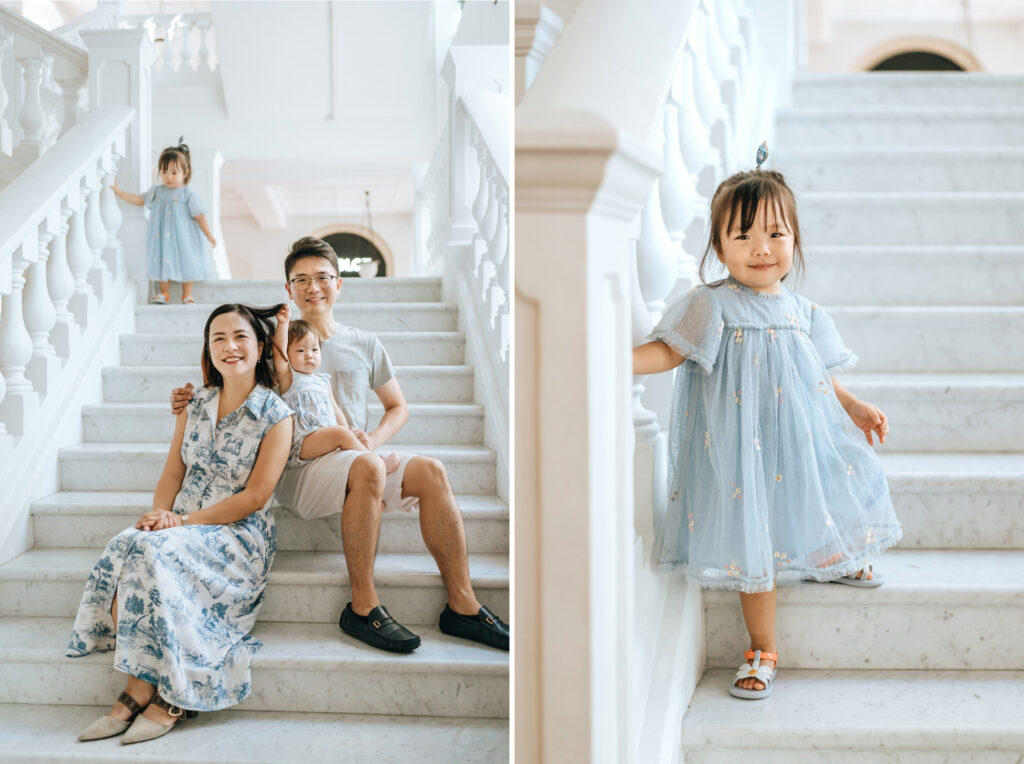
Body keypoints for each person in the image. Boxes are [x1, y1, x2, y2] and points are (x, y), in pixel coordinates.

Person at [632, 160, 902, 700]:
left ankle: (831, 555)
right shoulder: (711, 305)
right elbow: (668, 352)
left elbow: (819, 375)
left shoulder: (803, 311)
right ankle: (762, 646)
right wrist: (611, 358)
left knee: (828, 486)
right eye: (743, 235)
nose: (761, 247)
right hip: (741, 454)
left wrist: (851, 405)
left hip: (800, 439)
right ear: (719, 247)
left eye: (775, 233)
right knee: (756, 540)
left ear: (794, 240)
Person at [171, 237, 509, 653]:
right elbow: (228, 377)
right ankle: (364, 608)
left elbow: (397, 407)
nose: (313, 287)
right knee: (366, 467)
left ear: (339, 283)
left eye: (322, 277)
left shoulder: (364, 342)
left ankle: (463, 606)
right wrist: (188, 397)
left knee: (432, 471)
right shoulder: (274, 344)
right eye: (301, 279)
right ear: (288, 289)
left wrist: (373, 440)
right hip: (299, 465)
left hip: (355, 456)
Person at [67, 303, 293, 744]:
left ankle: (171, 691)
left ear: (261, 345)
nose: (230, 346)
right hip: (181, 521)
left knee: (152, 548)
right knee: (128, 542)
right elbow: (174, 471)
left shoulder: (276, 415)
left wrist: (181, 521)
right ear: (208, 351)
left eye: (240, 337)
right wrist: (158, 515)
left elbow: (256, 497)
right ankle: (140, 684)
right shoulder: (195, 403)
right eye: (218, 339)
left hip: (237, 535)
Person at [272, 303, 401, 475]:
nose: (309, 355)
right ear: (288, 355)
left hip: (328, 441)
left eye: (314, 349)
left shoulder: (323, 381)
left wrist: (349, 430)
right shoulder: (289, 377)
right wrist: (283, 323)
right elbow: (279, 353)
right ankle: (374, 461)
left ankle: (374, 480)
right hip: (302, 443)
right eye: (300, 350)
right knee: (339, 435)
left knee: (344, 437)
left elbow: (336, 411)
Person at [112, 138, 216, 304]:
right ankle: (164, 293)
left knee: (187, 261)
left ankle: (187, 294)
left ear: (185, 173)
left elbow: (199, 216)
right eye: (164, 171)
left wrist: (209, 234)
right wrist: (120, 193)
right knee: (162, 262)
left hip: (184, 237)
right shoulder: (157, 192)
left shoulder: (187, 195)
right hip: (162, 238)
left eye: (174, 173)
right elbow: (139, 199)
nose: (169, 177)